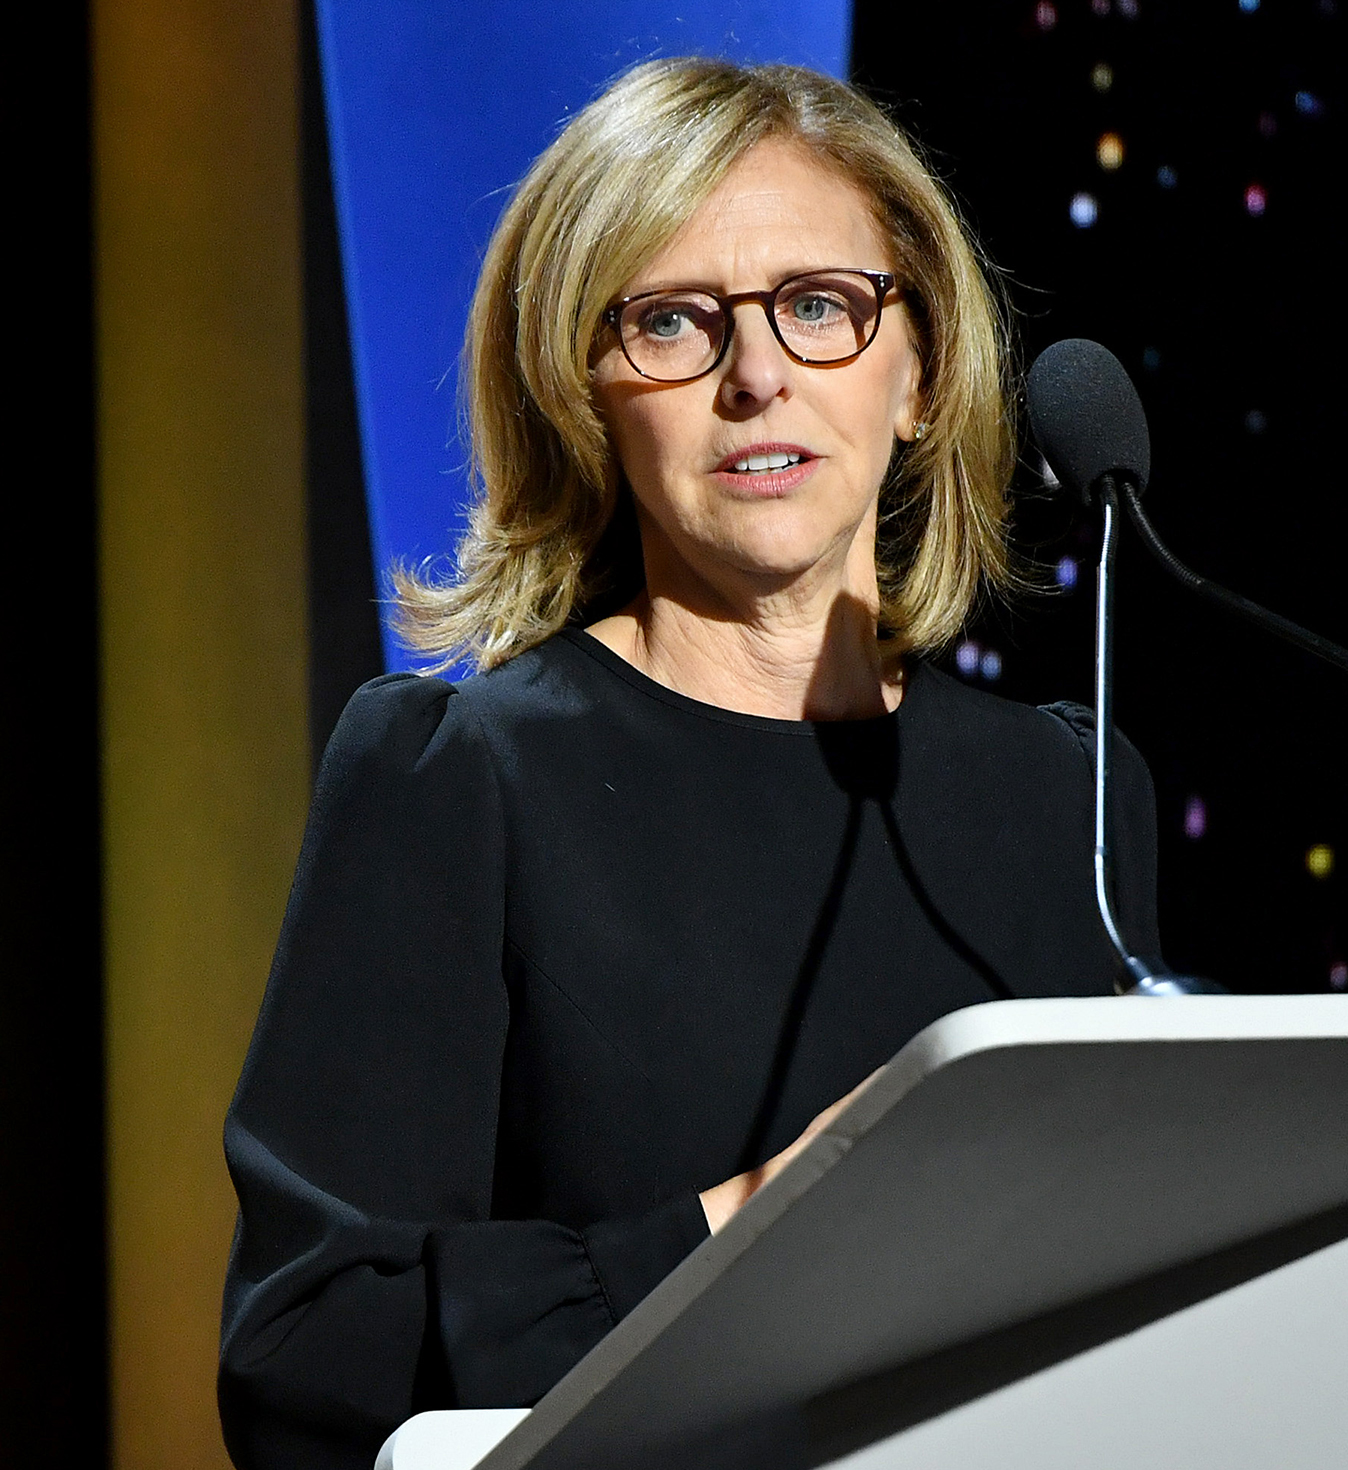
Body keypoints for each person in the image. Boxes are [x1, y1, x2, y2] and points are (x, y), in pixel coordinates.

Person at [218, 57, 1160, 1470]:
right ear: (582, 391)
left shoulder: (1069, 802)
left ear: (919, 373)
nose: (759, 374)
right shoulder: (460, 780)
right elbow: (303, 1354)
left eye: (820, 307)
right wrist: (758, 1221)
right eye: (673, 321)